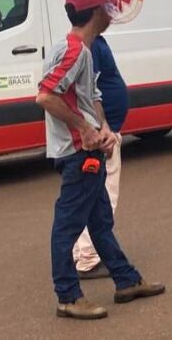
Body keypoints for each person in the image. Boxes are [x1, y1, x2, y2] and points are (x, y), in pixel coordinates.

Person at [36, 0, 164, 320]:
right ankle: (68, 296)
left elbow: (89, 95)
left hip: (88, 149)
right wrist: (86, 130)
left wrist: (104, 128)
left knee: (100, 221)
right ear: (94, 14)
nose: (110, 15)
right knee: (67, 226)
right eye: (105, 10)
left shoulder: (82, 50)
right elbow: (46, 96)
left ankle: (126, 280)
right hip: (78, 154)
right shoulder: (74, 51)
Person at [72, 26, 130, 279]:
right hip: (103, 138)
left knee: (95, 197)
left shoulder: (94, 42)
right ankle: (88, 257)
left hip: (106, 133)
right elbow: (88, 93)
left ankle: (84, 254)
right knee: (103, 197)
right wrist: (100, 130)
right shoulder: (90, 46)